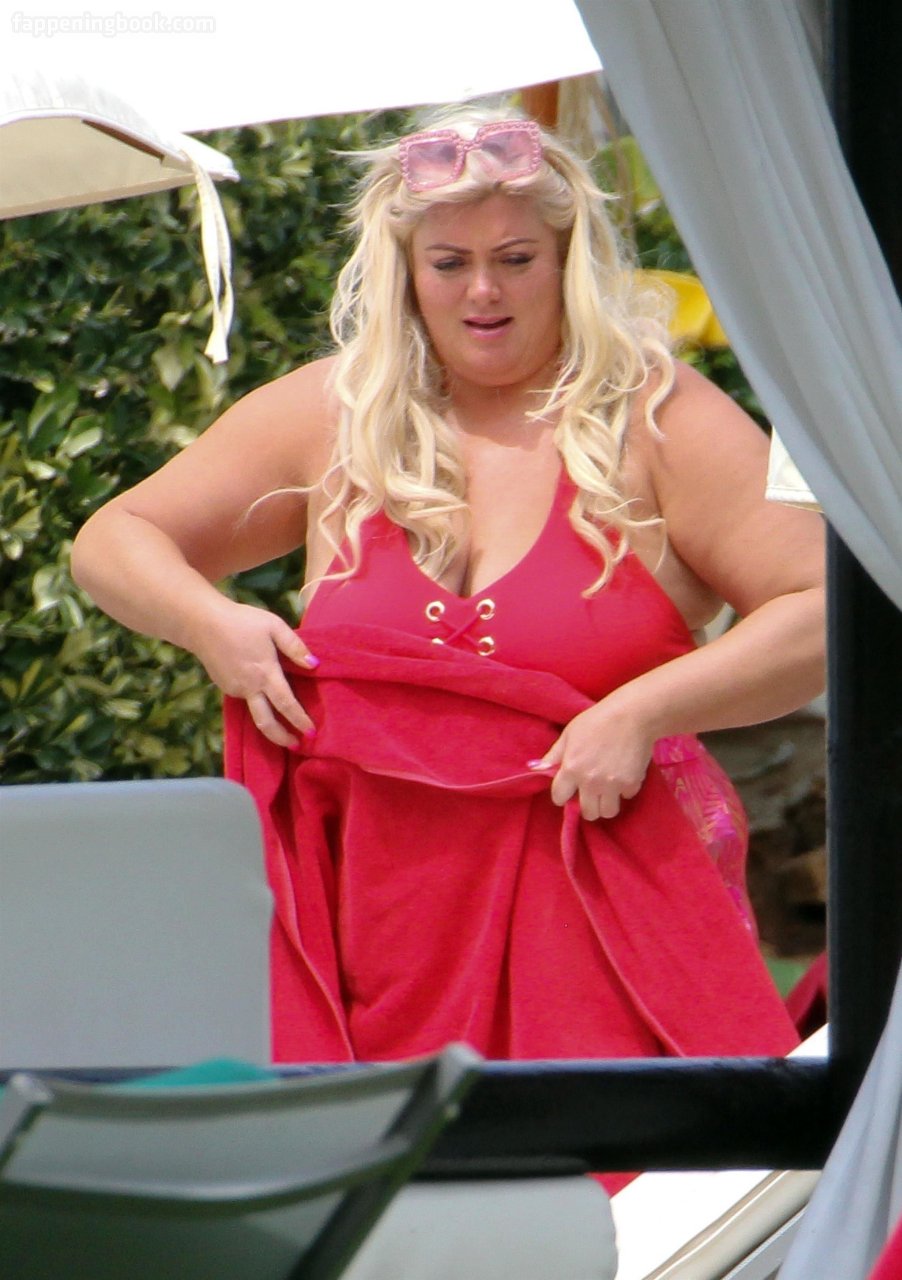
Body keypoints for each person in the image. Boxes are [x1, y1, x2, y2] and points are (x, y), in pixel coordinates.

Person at [71, 105, 824, 1085]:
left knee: (624, 1169)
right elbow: (113, 538)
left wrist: (643, 710)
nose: (482, 290)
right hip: (372, 940)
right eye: (448, 262)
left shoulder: (660, 417)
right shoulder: (334, 413)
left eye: (515, 259)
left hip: (610, 920)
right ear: (404, 270)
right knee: (383, 1173)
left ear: (567, 259)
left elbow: (821, 611)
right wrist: (213, 624)